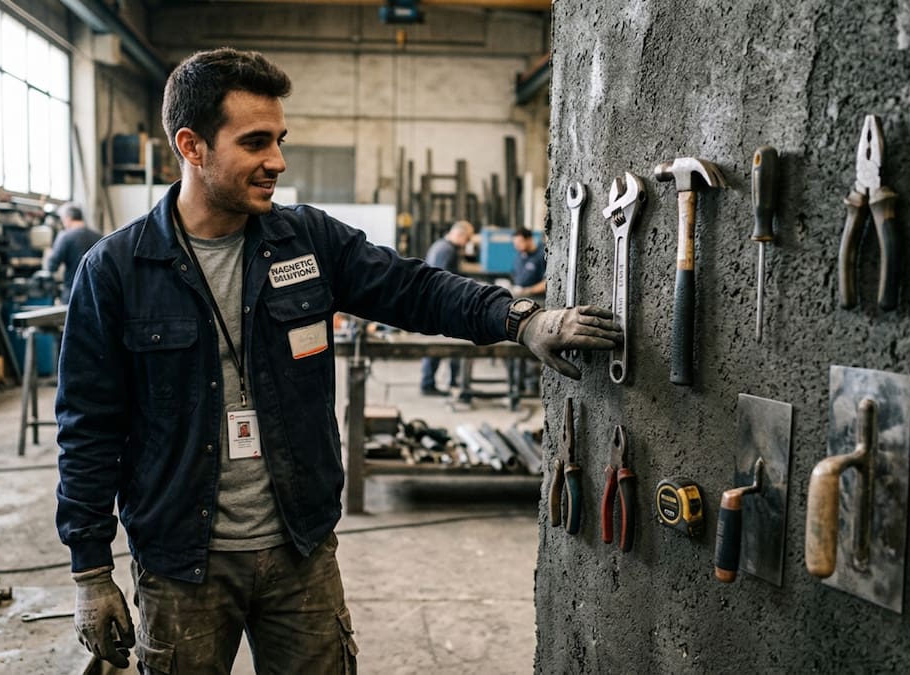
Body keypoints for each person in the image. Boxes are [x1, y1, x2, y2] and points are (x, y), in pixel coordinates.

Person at [54, 46, 620, 674]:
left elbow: (416, 288)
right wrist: (91, 572)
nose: (277, 160)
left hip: (301, 549)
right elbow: (89, 428)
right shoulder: (115, 272)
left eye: (280, 139)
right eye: (256, 142)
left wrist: (522, 319)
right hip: (182, 562)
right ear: (192, 146)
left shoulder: (306, 240)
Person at [419, 220, 474, 396]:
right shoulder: (447, 250)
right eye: (467, 239)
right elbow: (443, 280)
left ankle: (436, 382)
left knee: (436, 345)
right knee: (442, 345)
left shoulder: (440, 246)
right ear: (460, 235)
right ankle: (432, 384)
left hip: (435, 304)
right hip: (441, 306)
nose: (467, 244)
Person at [509, 228, 546, 396]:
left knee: (533, 345)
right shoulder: (519, 256)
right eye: (515, 244)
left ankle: (532, 385)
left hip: (539, 304)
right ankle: (518, 384)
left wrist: (528, 291)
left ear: (529, 239)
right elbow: (515, 276)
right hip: (520, 303)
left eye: (519, 243)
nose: (517, 247)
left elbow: (547, 282)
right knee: (515, 344)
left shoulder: (542, 255)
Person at [44, 202, 102, 303]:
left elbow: (52, 266)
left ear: (68, 218)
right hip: (96, 293)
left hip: (73, 292)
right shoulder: (99, 237)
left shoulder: (65, 237)